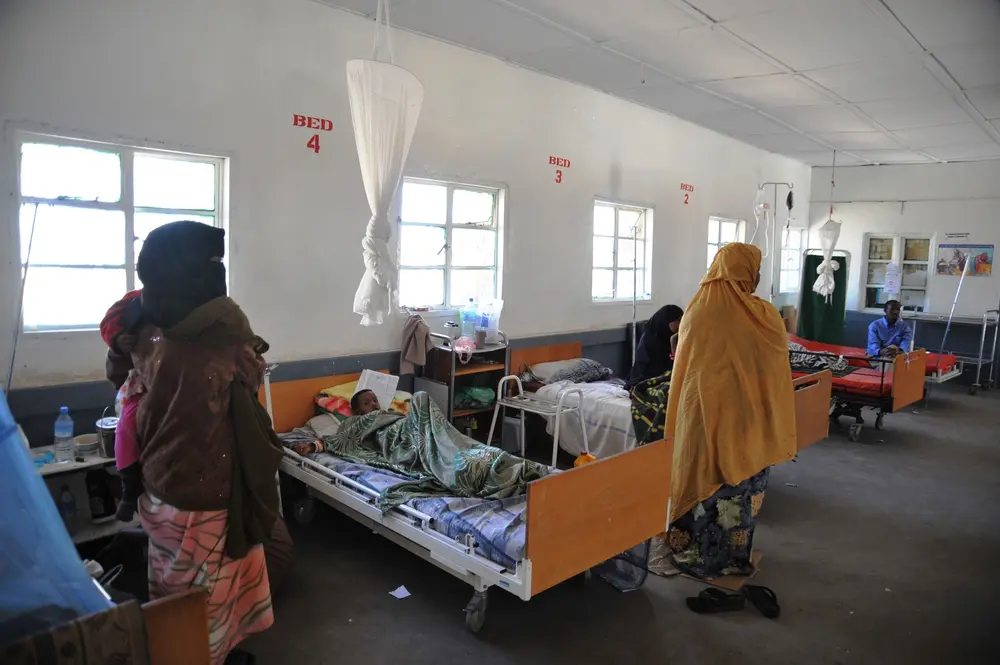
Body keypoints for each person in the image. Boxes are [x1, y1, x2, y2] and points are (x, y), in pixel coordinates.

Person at [109, 221, 280, 665]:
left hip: (158, 474)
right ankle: (207, 655)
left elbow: (119, 375)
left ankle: (177, 649)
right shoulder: (225, 327)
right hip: (210, 481)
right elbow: (250, 377)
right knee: (211, 593)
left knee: (171, 582)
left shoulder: (141, 324)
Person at [660, 243, 796, 604]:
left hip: (703, 424)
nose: (759, 276)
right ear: (745, 271)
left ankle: (695, 555)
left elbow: (686, 373)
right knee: (738, 495)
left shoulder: (697, 311)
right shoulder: (765, 316)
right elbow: (775, 371)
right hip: (748, 426)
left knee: (705, 487)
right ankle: (732, 558)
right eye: (756, 269)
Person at [99, 290, 145, 521]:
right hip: (143, 378)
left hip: (181, 378)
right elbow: (110, 320)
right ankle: (129, 489)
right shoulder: (135, 300)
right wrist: (118, 338)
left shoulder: (192, 299)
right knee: (126, 427)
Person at [626, 304, 683, 391]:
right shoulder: (650, 340)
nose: (681, 324)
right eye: (678, 320)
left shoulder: (674, 337)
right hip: (647, 379)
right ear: (667, 321)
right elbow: (650, 369)